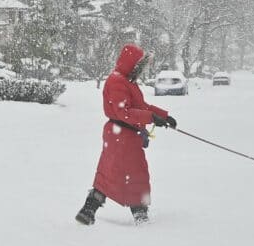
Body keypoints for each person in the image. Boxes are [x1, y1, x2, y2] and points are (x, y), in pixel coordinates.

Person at [75, 43, 177, 226]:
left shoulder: (126, 81)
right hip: (120, 135)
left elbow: (141, 107)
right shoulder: (116, 82)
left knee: (111, 172)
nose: (141, 69)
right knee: (134, 174)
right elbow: (124, 112)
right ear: (131, 63)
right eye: (139, 65)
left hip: (124, 136)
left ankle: (88, 210)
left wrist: (164, 116)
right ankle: (139, 214)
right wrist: (151, 118)